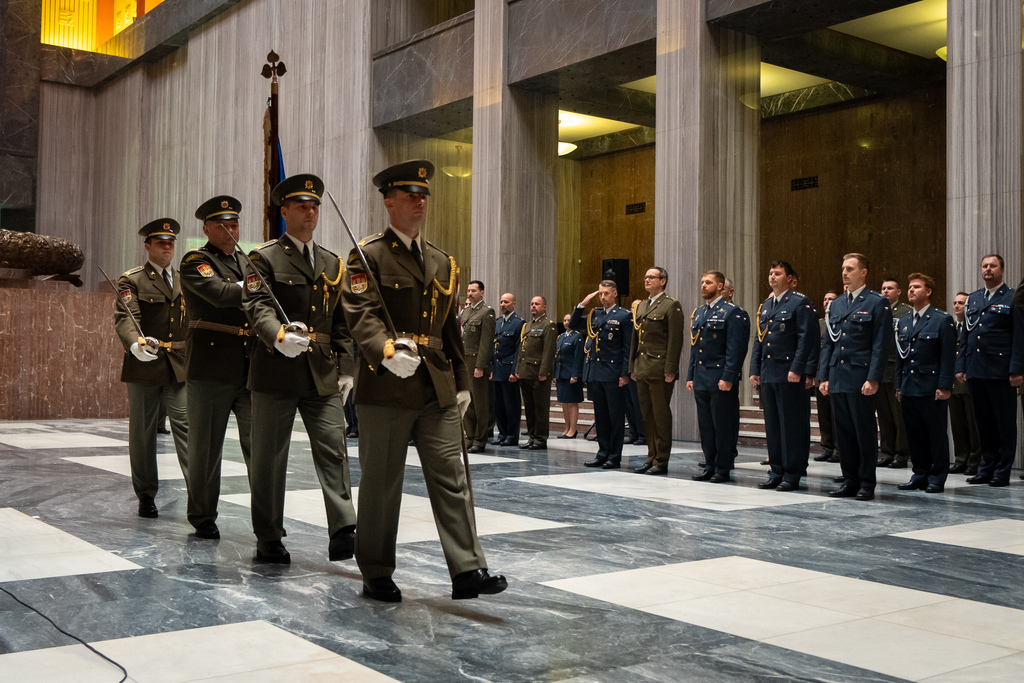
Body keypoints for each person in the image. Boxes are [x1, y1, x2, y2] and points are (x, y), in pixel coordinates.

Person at [342, 159, 506, 602]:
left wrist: (462, 380)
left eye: (423, 195)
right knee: (381, 483)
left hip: (435, 385)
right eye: (409, 194)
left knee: (453, 476)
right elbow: (361, 315)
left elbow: (449, 327)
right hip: (386, 384)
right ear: (389, 201)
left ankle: (468, 569)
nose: (419, 201)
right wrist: (384, 350)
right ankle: (375, 570)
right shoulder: (366, 255)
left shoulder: (442, 260)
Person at [242, 173, 357, 564]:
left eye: (315, 206)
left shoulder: (331, 262)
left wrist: (347, 368)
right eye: (302, 206)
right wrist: (277, 335)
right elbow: (257, 306)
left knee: (334, 447)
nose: (311, 212)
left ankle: (344, 527)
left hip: (321, 372)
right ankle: (268, 535)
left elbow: (341, 320)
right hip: (276, 370)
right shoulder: (264, 258)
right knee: (270, 458)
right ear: (285, 210)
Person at [180, 195, 254, 540]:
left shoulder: (249, 262)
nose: (230, 230)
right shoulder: (196, 261)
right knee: (206, 449)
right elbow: (222, 295)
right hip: (210, 366)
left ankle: (267, 521)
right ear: (207, 228)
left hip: (250, 367)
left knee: (261, 447)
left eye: (235, 223)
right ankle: (203, 516)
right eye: (223, 225)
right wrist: (258, 287)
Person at [113, 219, 190, 518]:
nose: (167, 247)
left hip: (179, 367)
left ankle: (199, 495)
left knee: (187, 428)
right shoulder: (132, 280)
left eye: (170, 242)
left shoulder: (185, 280)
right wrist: (135, 344)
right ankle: (146, 495)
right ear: (147, 246)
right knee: (143, 433)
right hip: (145, 365)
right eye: (160, 242)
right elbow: (126, 317)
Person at [818, 253, 892, 501]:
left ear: (864, 272)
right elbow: (829, 343)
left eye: (850, 268)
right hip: (838, 376)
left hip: (861, 378)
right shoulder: (836, 304)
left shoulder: (876, 302)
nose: (844, 273)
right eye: (842, 269)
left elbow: (880, 344)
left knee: (864, 432)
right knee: (844, 433)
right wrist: (824, 376)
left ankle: (867, 483)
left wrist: (873, 378)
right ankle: (849, 480)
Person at [749, 261, 818, 491]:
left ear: (790, 278)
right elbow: (760, 340)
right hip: (769, 373)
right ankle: (776, 470)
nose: (772, 277)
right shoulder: (767, 305)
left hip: (790, 374)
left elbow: (806, 339)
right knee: (773, 426)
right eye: (770, 273)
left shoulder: (800, 303)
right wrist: (754, 370)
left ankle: (792, 472)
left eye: (777, 273)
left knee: (792, 426)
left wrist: (798, 369)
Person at [956, 254, 1023, 487]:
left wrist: (1016, 369)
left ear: (1002, 270)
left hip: (1001, 370)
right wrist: (961, 365)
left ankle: (1002, 471)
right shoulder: (973, 299)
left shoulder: (1013, 297)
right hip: (976, 369)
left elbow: (1019, 336)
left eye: (992, 266)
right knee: (983, 423)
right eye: (984, 266)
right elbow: (965, 335)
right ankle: (986, 468)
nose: (988, 269)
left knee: (1004, 424)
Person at [894, 274, 956, 493]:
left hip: (932, 387)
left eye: (916, 287)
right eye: (909, 287)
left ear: (928, 291)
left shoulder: (941, 319)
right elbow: (902, 357)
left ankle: (937, 477)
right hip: (910, 386)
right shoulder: (903, 321)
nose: (911, 290)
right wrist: (899, 385)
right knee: (915, 434)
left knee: (936, 434)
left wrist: (945, 386)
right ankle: (919, 473)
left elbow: (948, 356)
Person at [687, 270, 750, 483]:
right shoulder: (699, 313)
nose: (703, 285)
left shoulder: (733, 312)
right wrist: (691, 375)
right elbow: (696, 348)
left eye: (709, 282)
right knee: (706, 425)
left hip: (720, 377)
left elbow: (736, 349)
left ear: (721, 287)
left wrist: (729, 376)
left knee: (723, 425)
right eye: (702, 282)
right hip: (702, 377)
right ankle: (710, 464)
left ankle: (723, 468)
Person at [569, 280, 631, 469]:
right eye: (600, 293)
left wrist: (624, 373)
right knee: (601, 416)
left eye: (606, 293)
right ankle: (602, 453)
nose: (603, 297)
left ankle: (614, 456)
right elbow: (573, 324)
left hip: (613, 373)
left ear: (614, 294)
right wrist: (582, 305)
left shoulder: (623, 316)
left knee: (615, 417)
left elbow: (627, 348)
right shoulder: (594, 315)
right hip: (596, 372)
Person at [629, 267, 684, 475]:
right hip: (642, 368)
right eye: (645, 277)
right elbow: (635, 339)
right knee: (647, 416)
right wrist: (632, 367)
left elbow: (675, 340)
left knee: (661, 416)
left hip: (660, 369)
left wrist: (671, 368)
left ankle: (662, 460)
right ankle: (650, 456)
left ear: (662, 281)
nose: (646, 280)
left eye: (651, 277)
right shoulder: (642, 306)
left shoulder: (671, 305)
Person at [876, 278, 913, 468]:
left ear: (899, 292)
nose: (885, 291)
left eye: (890, 288)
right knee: (884, 416)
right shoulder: (878, 310)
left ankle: (901, 454)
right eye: (883, 288)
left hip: (896, 368)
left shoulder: (905, 311)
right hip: (880, 370)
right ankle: (887, 453)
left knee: (898, 416)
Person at [514, 296, 557, 450]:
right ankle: (532, 436)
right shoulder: (528, 325)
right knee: (530, 408)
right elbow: (522, 349)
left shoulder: (549, 325)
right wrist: (518, 369)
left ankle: (540, 438)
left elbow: (548, 351)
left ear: (544, 307)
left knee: (540, 408)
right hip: (526, 372)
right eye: (532, 304)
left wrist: (544, 371)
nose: (533, 306)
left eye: (537, 304)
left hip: (539, 373)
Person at [460, 280, 495, 453]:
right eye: (468, 290)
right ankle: (470, 436)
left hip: (476, 363)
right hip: (465, 362)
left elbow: (486, 342)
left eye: (473, 291)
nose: (470, 293)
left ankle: (480, 439)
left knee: (480, 403)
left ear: (482, 292)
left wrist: (481, 365)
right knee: (467, 403)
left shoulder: (487, 312)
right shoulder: (466, 312)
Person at [947, 291, 981, 475]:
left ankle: (974, 461)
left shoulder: (974, 325)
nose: (957, 306)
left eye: (962, 303)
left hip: (969, 381)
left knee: (972, 424)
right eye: (955, 303)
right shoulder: (950, 327)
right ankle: (961, 459)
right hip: (953, 382)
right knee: (957, 424)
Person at [491, 293, 525, 446]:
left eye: (506, 302)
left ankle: (512, 435)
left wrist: (514, 370)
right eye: (501, 302)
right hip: (497, 369)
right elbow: (493, 347)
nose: (503, 304)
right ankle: (502, 433)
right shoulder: (497, 323)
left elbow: (519, 349)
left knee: (511, 404)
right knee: (499, 405)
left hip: (509, 369)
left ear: (513, 304)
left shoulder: (518, 323)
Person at [812, 291, 840, 464]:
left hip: (835, 373)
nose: (827, 301)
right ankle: (827, 447)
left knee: (836, 414)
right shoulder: (819, 323)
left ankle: (839, 448)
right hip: (819, 373)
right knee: (823, 415)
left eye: (831, 299)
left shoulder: (838, 321)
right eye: (825, 298)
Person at [554, 313, 585, 438]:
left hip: (571, 374)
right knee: (564, 402)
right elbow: (556, 357)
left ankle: (573, 429)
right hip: (561, 374)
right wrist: (555, 374)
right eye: (565, 320)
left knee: (572, 402)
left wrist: (575, 375)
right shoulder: (561, 337)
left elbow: (578, 357)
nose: (567, 322)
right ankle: (567, 427)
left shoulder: (577, 337)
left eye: (569, 320)